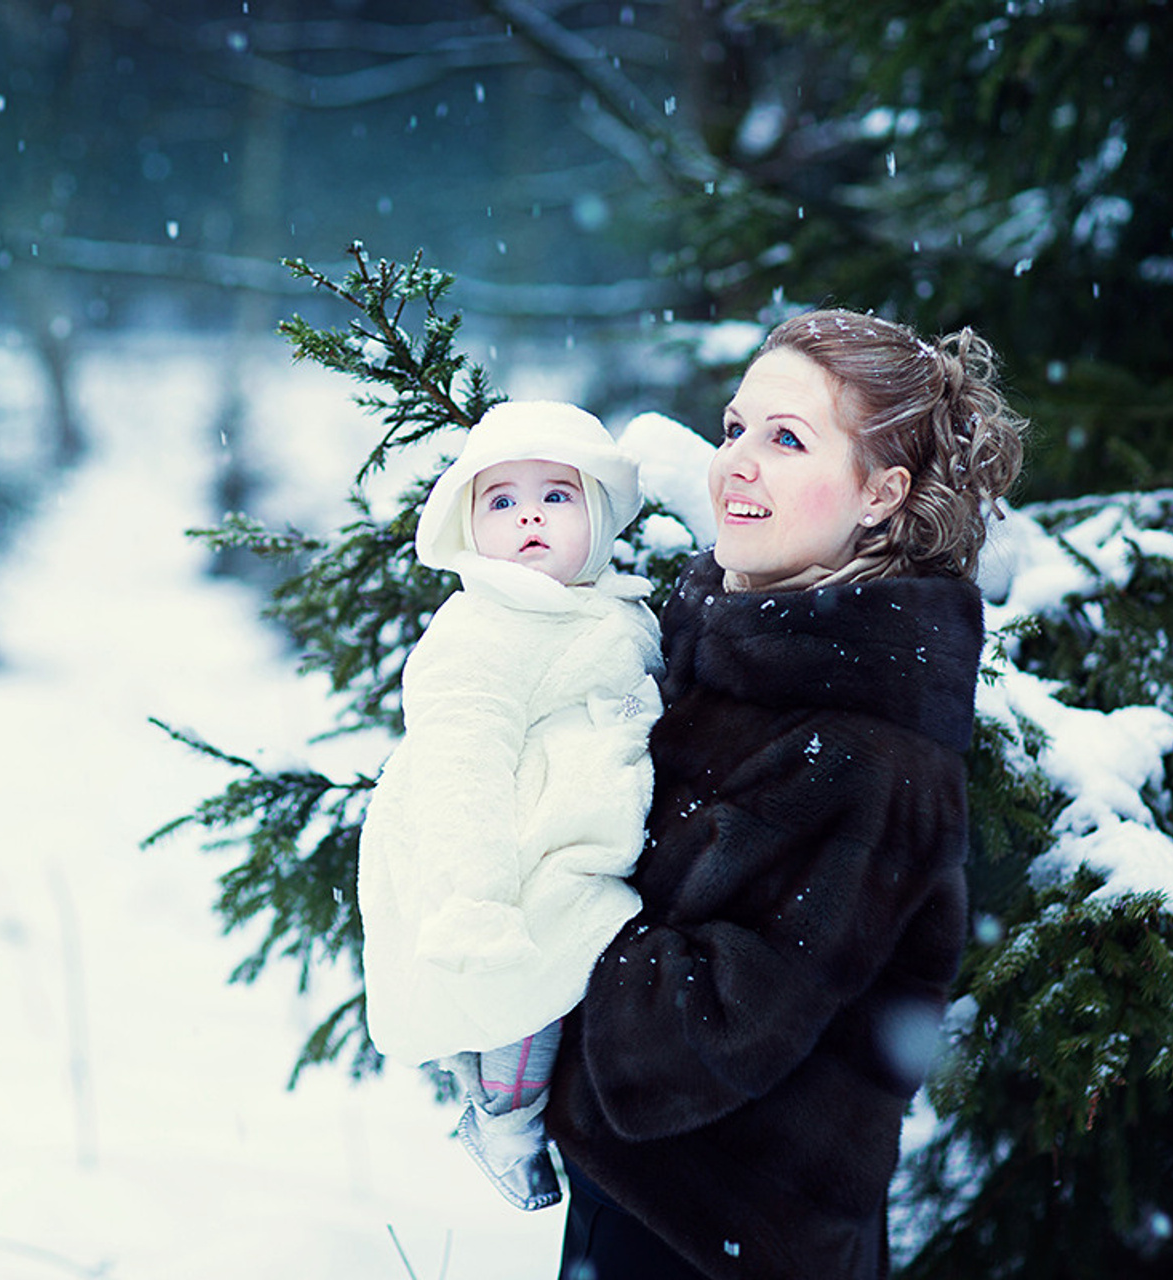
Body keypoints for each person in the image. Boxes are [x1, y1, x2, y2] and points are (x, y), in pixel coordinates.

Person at [546, 308, 1028, 1278]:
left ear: (880, 495)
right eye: (735, 429)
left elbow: (702, 1033)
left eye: (786, 439)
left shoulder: (864, 749)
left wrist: (542, 913)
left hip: (720, 1241)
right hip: (648, 1203)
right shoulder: (731, 651)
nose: (737, 463)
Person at [355, 399, 663, 1212]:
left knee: (569, 979)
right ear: (469, 526)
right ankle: (506, 1119)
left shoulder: (617, 610)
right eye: (501, 500)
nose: (530, 514)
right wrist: (475, 903)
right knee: (524, 990)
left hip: (576, 839)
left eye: (557, 495)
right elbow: (461, 772)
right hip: (504, 856)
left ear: (599, 516)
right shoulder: (478, 632)